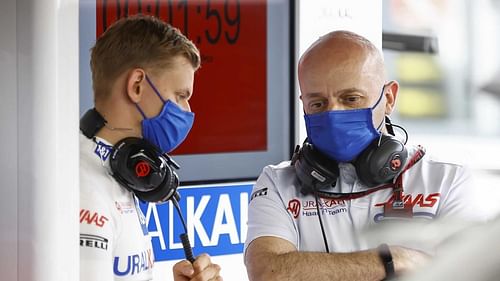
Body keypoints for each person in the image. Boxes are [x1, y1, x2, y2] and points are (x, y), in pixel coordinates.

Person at [244, 30, 490, 281]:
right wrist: (394, 260)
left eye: (351, 99)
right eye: (317, 104)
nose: (333, 113)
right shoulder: (277, 183)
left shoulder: (448, 180)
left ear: (389, 98)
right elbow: (269, 273)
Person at [79, 15, 222, 281]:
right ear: (136, 86)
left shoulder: (120, 168)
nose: (187, 111)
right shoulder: (83, 187)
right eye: (181, 96)